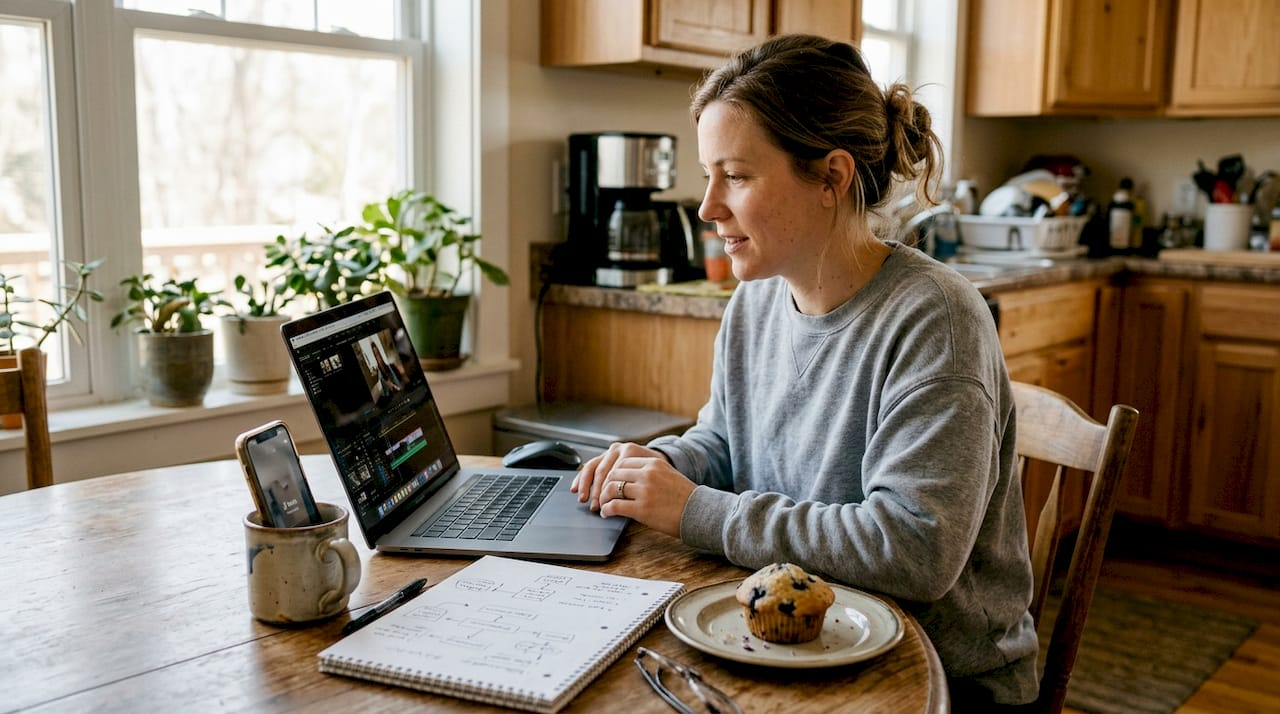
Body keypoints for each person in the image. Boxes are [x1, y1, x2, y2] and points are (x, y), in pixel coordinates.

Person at [570, 34, 1039, 709]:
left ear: (831, 177)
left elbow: (913, 549)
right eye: (709, 174)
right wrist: (655, 467)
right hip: (792, 648)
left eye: (736, 175)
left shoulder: (937, 320)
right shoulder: (759, 296)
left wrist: (696, 510)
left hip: (939, 681)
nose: (706, 207)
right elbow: (726, 443)